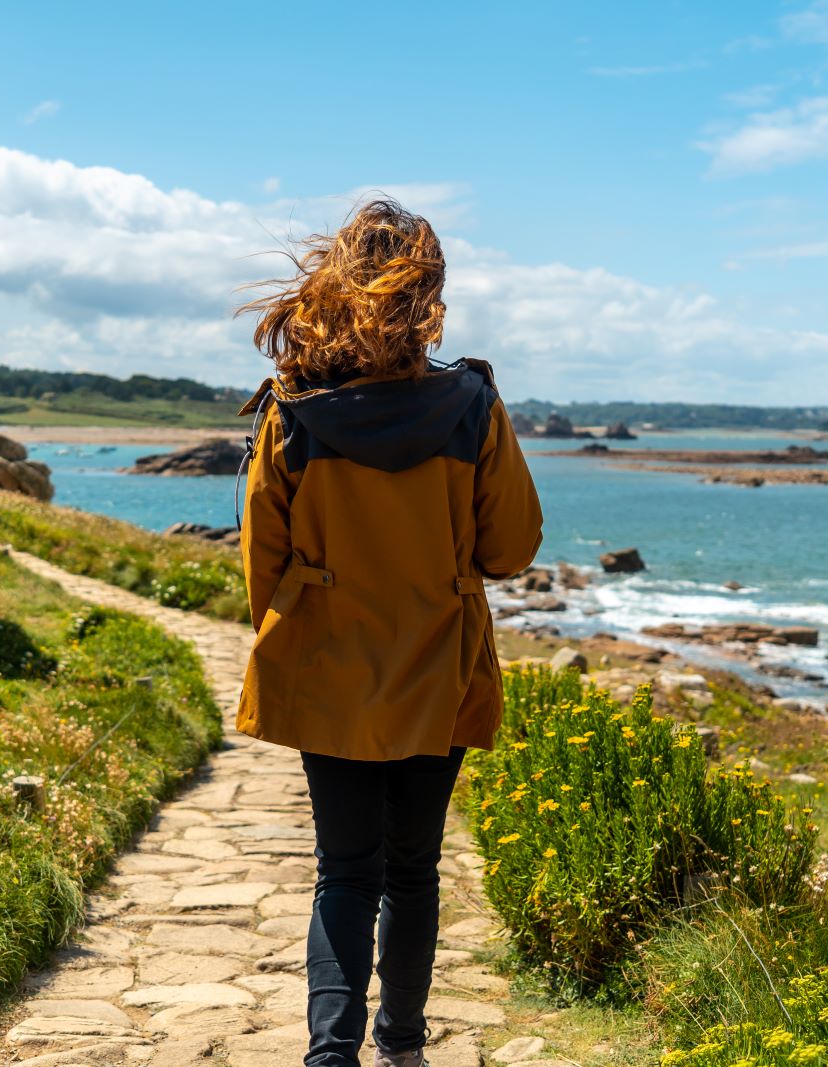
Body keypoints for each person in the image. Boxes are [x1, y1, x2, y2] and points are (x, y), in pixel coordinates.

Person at [234, 199, 543, 1067]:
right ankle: (402, 1048)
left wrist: (300, 637)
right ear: (428, 290)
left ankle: (329, 1056)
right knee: (412, 868)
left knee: (344, 871)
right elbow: (512, 548)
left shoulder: (291, 410)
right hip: (437, 665)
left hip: (330, 666)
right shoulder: (473, 404)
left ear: (331, 284)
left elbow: (264, 566)